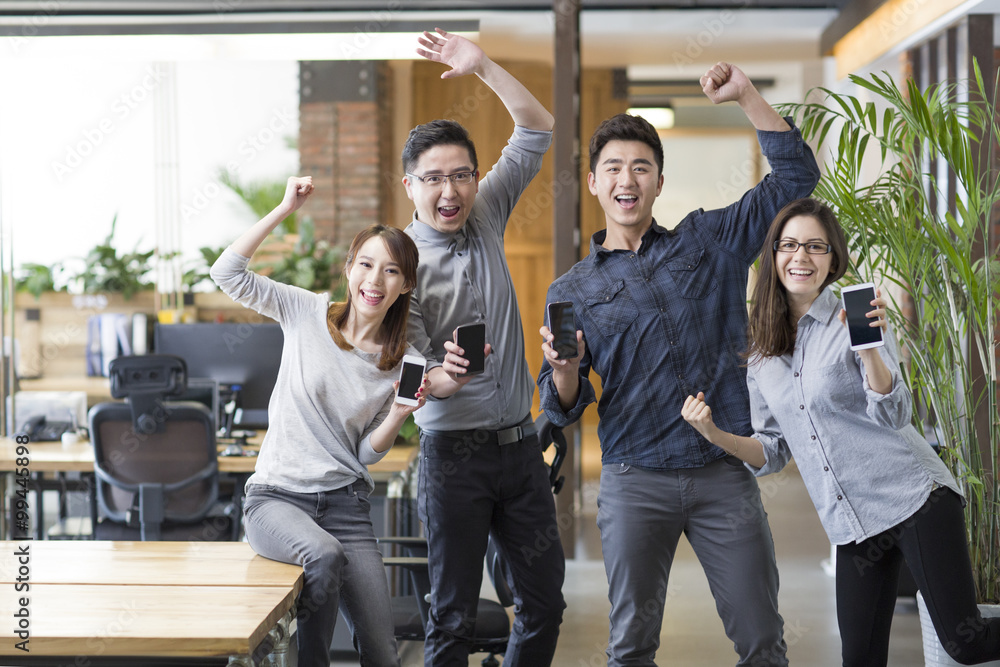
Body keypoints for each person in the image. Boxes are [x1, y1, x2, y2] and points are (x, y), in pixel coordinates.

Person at [537, 62, 820, 666]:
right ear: (592, 183)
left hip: (723, 470)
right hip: (634, 479)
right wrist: (564, 370)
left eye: (641, 167)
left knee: (763, 640)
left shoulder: (708, 241)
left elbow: (797, 178)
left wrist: (746, 94)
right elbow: (558, 407)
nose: (627, 179)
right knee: (631, 647)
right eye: (613, 167)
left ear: (659, 181)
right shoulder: (572, 289)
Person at [681, 197, 1000, 667]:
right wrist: (713, 434)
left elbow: (894, 416)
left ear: (833, 260)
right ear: (773, 256)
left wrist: (869, 350)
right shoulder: (761, 350)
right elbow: (771, 451)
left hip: (914, 497)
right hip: (853, 523)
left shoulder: (855, 316)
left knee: (963, 641)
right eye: (789, 245)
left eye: (816, 246)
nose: (801, 256)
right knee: (861, 659)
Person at [211, 176, 428, 667]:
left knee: (383, 654)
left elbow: (364, 455)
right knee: (323, 555)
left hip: (347, 510)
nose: (375, 281)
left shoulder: (402, 359)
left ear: (406, 285)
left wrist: (398, 412)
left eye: (391, 271)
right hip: (276, 501)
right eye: (366, 265)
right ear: (349, 269)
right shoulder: (306, 312)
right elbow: (227, 273)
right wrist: (284, 210)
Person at [401, 28, 565, 667]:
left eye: (462, 175)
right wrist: (435, 379)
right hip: (453, 457)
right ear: (409, 184)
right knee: (453, 619)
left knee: (544, 604)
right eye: (434, 179)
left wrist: (483, 66)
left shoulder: (489, 212)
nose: (451, 192)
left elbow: (537, 127)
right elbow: (405, 366)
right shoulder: (398, 261)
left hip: (521, 449)